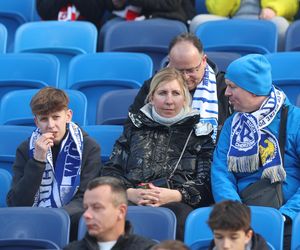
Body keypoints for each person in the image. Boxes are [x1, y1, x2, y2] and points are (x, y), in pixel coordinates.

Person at [102, 67, 214, 241]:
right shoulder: (134, 130)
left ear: (185, 98)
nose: (169, 100)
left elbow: (207, 183)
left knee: (180, 218)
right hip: (134, 197)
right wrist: (128, 192)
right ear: (151, 97)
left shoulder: (200, 134)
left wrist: (177, 195)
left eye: (176, 93)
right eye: (162, 93)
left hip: (178, 203)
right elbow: (111, 172)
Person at [211, 54, 300, 249]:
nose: (226, 93)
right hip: (240, 217)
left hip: (289, 219)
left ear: (253, 90)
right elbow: (221, 172)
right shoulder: (231, 124)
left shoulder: (295, 120)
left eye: (233, 86)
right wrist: (236, 213)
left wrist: (287, 215)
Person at [6, 87, 101, 240]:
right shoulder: (25, 149)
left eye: (56, 117)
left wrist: (54, 218)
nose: (50, 125)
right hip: (30, 224)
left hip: (72, 224)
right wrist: (37, 161)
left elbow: (86, 198)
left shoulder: (89, 147)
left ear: (68, 116)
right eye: (44, 119)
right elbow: (17, 203)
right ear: (36, 121)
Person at [127, 32, 232, 143]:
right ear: (170, 61)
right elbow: (132, 127)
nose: (186, 77)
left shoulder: (225, 87)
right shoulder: (153, 86)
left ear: (204, 60)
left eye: (191, 70)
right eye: (179, 71)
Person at [64, 176, 156, 250]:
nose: (86, 215)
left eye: (97, 207)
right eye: (86, 208)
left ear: (121, 211)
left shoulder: (147, 248)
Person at [189, 0, 299, 51]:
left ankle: (277, 67)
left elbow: (292, 3)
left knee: (280, 26)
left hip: (267, 19)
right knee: (198, 22)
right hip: (231, 20)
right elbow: (217, 10)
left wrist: (273, 8)